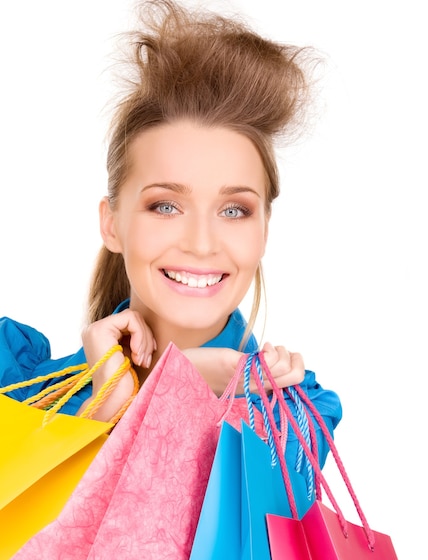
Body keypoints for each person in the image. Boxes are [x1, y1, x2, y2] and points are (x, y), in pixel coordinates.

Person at [0, 0, 341, 465]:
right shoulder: (21, 384)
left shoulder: (292, 420)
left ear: (264, 231)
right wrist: (112, 406)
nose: (201, 242)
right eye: (166, 206)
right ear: (111, 223)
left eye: (235, 210)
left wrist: (174, 389)